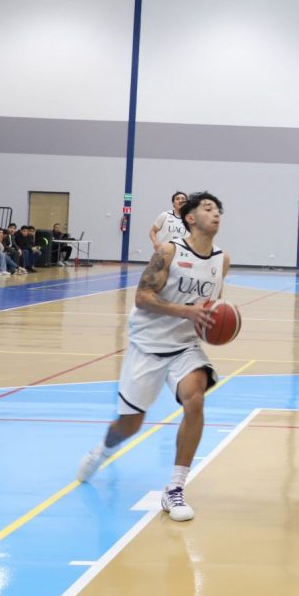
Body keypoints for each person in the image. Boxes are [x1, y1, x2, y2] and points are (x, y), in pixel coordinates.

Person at [77, 192, 228, 524]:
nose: (215, 213)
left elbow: (213, 305)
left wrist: (212, 321)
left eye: (218, 209)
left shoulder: (221, 260)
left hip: (184, 345)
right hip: (147, 344)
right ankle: (102, 451)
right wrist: (185, 311)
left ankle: (175, 487)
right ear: (190, 218)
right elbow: (143, 297)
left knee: (195, 400)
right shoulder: (168, 252)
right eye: (208, 208)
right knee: (129, 425)